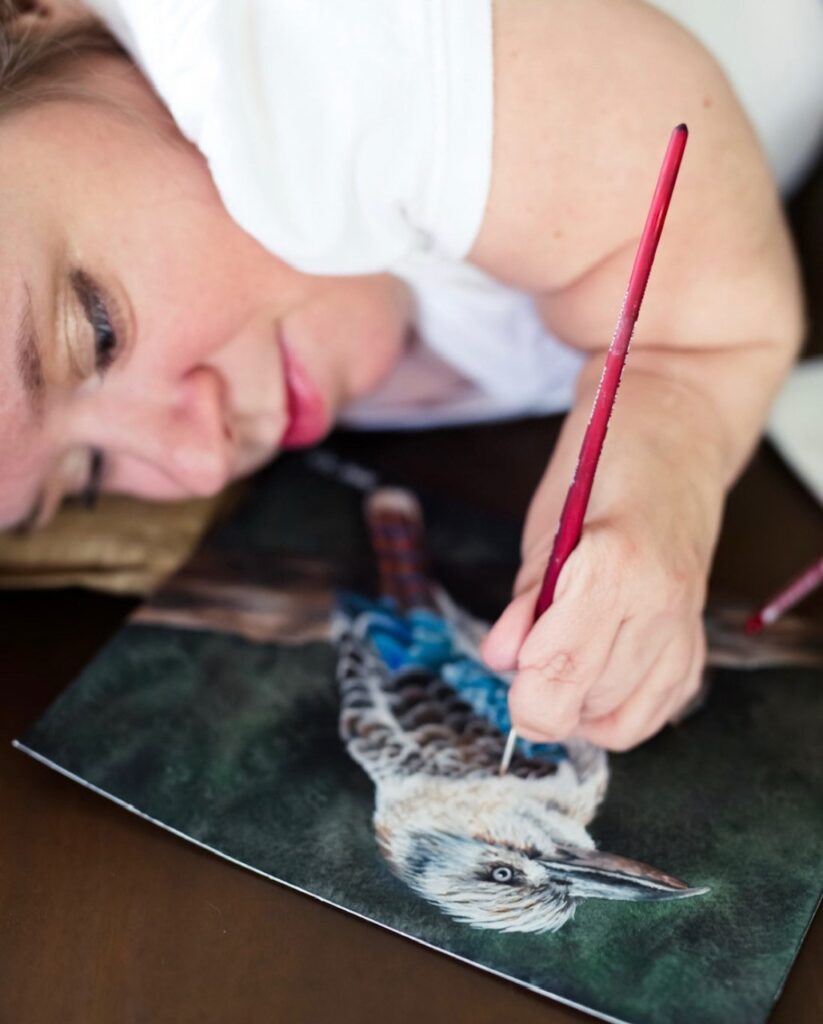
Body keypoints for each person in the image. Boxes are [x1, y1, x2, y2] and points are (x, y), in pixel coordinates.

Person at [0, 0, 821, 752]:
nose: (200, 461)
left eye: (96, 330)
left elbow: (712, 325)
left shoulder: (291, 47)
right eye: (87, 479)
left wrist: (671, 433)